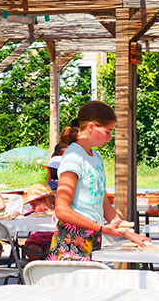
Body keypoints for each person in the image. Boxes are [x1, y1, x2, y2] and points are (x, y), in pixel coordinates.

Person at [49, 100, 150, 261]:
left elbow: (101, 201)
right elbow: (61, 209)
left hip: (92, 236)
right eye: (108, 131)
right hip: (71, 238)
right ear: (91, 127)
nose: (110, 137)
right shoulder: (73, 158)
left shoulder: (95, 157)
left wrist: (128, 233)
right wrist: (99, 227)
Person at [22, 183, 55, 260]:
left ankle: (48, 269)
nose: (33, 208)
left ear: (45, 202)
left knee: (51, 252)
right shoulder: (32, 213)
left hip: (52, 239)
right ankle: (34, 269)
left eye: (34, 205)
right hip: (35, 240)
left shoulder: (57, 213)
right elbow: (23, 216)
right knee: (33, 251)